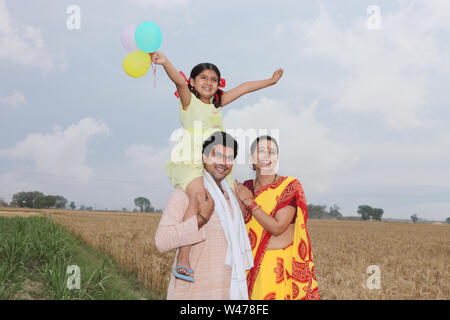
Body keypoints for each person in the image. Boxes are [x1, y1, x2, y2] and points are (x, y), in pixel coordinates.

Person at [151, 51, 283, 281]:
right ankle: (184, 257)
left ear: (218, 85)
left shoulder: (217, 103)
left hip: (217, 157)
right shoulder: (188, 100)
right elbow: (178, 80)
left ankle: (236, 254)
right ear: (192, 82)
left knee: (238, 201)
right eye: (203, 78)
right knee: (198, 196)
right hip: (191, 159)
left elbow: (244, 88)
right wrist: (165, 63)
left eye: (213, 79)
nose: (208, 83)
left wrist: (270, 82)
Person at [155, 131, 253, 300]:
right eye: (218, 155)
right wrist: (201, 219)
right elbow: (161, 240)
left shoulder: (233, 199)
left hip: (226, 292)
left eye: (229, 158)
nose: (223, 163)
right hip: (193, 293)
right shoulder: (185, 193)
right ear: (204, 157)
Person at [234, 135, 320, 300]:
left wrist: (249, 203)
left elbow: (277, 228)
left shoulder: (288, 186)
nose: (267, 155)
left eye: (271, 152)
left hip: (277, 268)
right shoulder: (246, 187)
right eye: (261, 151)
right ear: (252, 158)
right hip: (248, 267)